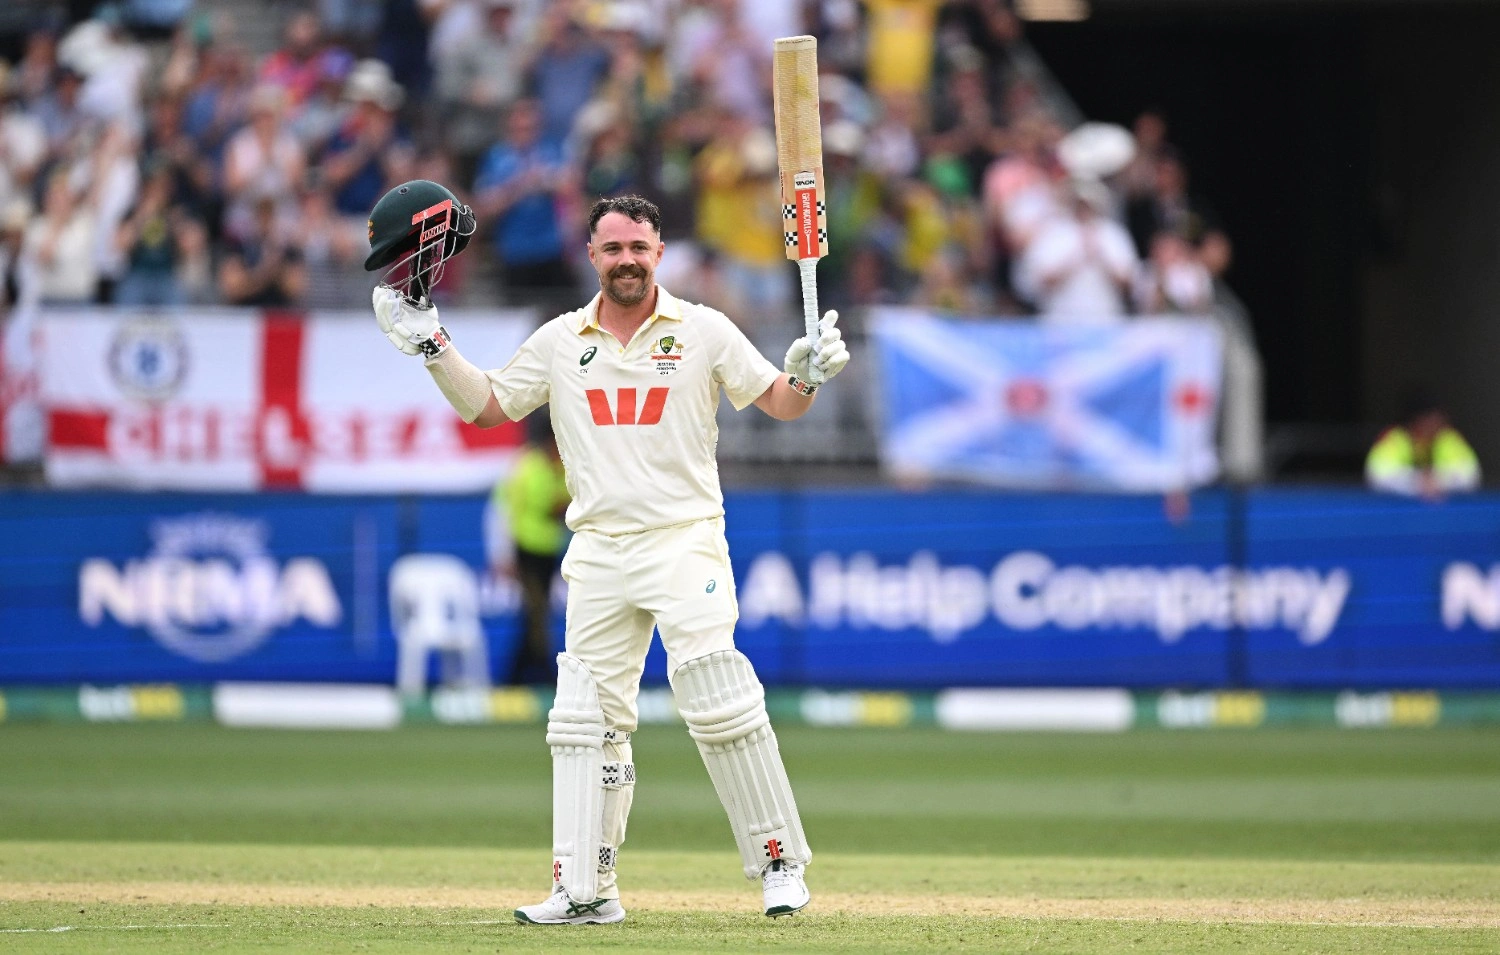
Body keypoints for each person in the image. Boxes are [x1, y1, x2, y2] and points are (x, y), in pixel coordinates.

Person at [366, 187, 848, 924]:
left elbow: (782, 401)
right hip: (597, 548)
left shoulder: (703, 329)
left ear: (660, 253)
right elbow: (488, 406)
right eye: (613, 248)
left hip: (684, 537)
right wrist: (434, 345)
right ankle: (585, 889)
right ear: (592, 255)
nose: (627, 260)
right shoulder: (562, 341)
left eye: (639, 248)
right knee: (585, 720)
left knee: (715, 687)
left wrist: (808, 374)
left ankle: (780, 864)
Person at [491, 411, 570, 685]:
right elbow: (505, 511)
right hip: (526, 551)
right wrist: (503, 554)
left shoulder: (559, 467)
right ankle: (538, 672)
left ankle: (518, 674)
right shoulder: (528, 467)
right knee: (535, 610)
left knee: (536, 611)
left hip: (549, 550)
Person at [1366, 400, 1481, 499]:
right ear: (1415, 421)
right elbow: (1377, 476)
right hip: (1398, 509)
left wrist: (1438, 480)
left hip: (1441, 511)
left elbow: (1471, 476)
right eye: (1428, 419)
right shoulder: (1395, 438)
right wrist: (1418, 481)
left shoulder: (1447, 438)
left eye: (1437, 420)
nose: (1433, 425)